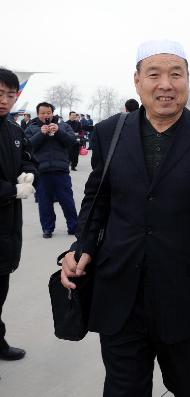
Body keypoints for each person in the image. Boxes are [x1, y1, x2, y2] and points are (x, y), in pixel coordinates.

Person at [60, 39, 190, 396]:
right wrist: (83, 245)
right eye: (154, 74)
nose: (166, 85)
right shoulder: (111, 131)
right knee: (123, 388)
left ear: (188, 80)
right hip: (120, 290)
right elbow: (97, 198)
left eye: (176, 74)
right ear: (137, 81)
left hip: (188, 297)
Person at [0, 68, 38, 361]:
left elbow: (28, 156)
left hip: (8, 226)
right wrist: (11, 191)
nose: (4, 100)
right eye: (0, 93)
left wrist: (29, 174)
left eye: (10, 94)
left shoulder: (13, 129)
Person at [25, 102, 78, 238]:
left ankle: (74, 227)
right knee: (44, 203)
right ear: (38, 114)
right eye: (42, 113)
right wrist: (41, 134)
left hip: (61, 171)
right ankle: (47, 228)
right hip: (41, 172)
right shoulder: (31, 128)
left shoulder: (63, 126)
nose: (46, 115)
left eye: (48, 112)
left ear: (52, 113)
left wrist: (59, 131)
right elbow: (28, 146)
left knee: (67, 200)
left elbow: (72, 142)